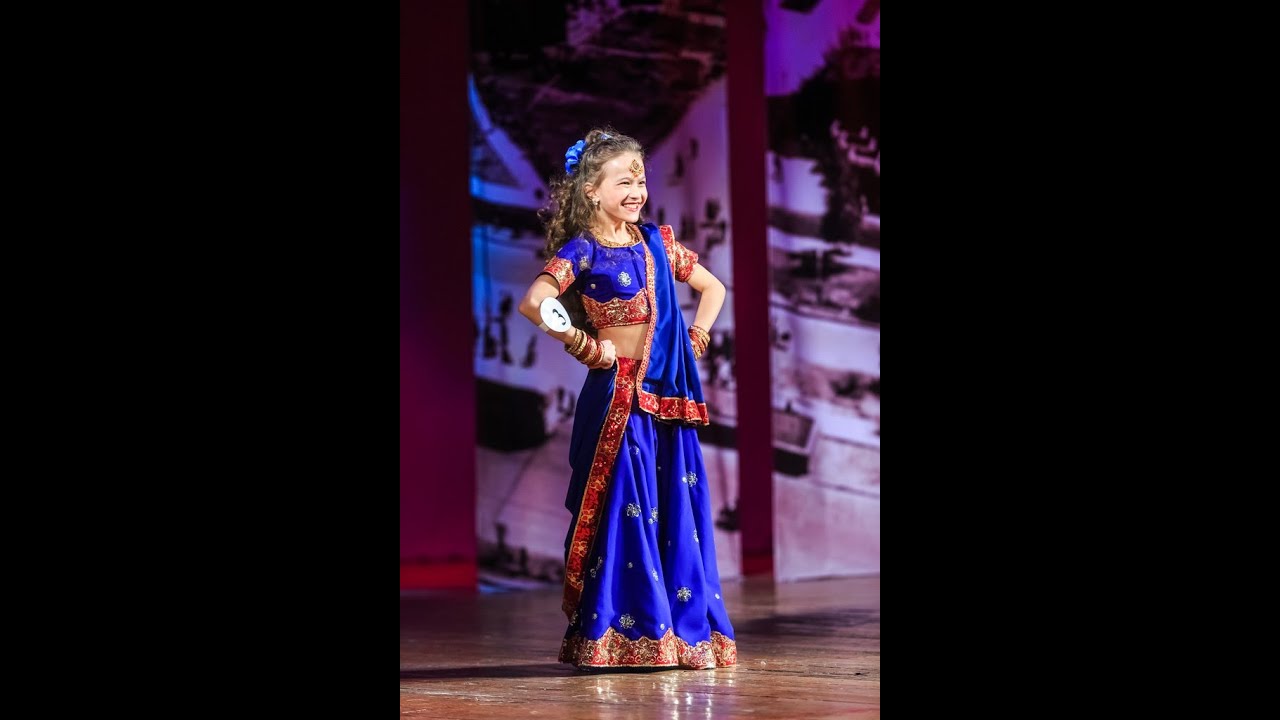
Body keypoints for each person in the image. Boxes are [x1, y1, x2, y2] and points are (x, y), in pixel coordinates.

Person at [518, 127, 737, 670]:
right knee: (625, 508)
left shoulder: (657, 243)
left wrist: (696, 336)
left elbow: (713, 288)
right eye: (624, 182)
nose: (637, 191)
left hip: (665, 395)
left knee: (673, 507)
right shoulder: (583, 250)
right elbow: (535, 301)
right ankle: (623, 631)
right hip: (616, 396)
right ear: (592, 190)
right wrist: (582, 344)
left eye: (640, 180)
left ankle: (679, 632)